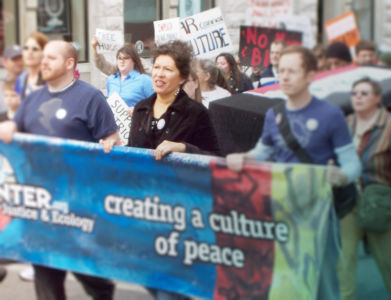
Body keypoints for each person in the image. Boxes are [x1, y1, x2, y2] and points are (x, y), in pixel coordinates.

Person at [226, 45, 361, 300]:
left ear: (310, 75)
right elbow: (262, 154)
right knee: (285, 283)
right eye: (281, 70)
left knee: (324, 286)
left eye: (293, 71)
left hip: (320, 214)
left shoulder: (330, 115)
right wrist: (242, 158)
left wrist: (341, 176)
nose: (285, 76)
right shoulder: (273, 115)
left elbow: (353, 164)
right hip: (285, 210)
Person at [0, 40, 121, 300]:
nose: (43, 62)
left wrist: (111, 143)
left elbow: (114, 141)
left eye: (51, 58)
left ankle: (102, 290)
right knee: (46, 274)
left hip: (78, 204)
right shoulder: (32, 99)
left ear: (69, 63)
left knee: (87, 269)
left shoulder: (90, 97)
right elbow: (14, 132)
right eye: (43, 57)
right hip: (39, 204)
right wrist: (8, 128)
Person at [128, 40, 219, 299]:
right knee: (149, 276)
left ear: (181, 77)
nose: (159, 74)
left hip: (179, 211)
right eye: (156, 67)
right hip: (145, 208)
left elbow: (216, 158)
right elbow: (134, 153)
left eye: (167, 69)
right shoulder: (141, 108)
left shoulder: (195, 113)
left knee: (172, 286)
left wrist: (183, 148)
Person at [338, 77, 391, 300]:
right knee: (344, 260)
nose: (358, 97)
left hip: (379, 201)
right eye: (354, 93)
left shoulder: (390, 124)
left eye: (364, 93)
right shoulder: (346, 123)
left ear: (377, 98)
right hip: (349, 201)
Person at [15, 31, 48, 99]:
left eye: (35, 49)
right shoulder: (21, 79)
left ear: (44, 52)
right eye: (26, 48)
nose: (29, 52)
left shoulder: (50, 77)